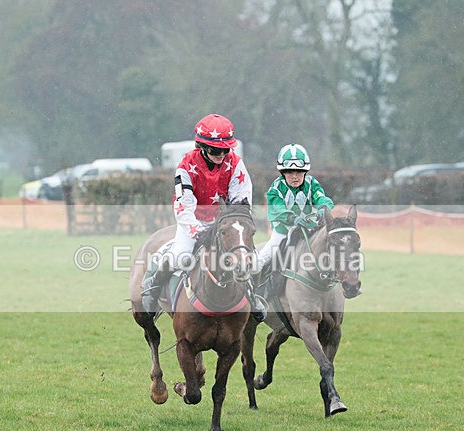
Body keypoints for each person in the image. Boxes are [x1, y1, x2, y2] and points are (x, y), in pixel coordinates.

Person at [141, 113, 267, 321]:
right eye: (215, 150)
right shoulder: (186, 165)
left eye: (226, 149)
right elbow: (184, 205)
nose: (221, 154)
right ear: (202, 146)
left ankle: (253, 297)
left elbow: (241, 200)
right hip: (193, 221)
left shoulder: (236, 163)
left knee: (249, 259)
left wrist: (232, 223)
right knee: (181, 256)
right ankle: (152, 288)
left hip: (224, 223)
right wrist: (197, 230)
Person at [256, 143, 335, 273]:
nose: (294, 176)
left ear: (305, 171)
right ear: (282, 172)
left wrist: (323, 208)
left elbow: (321, 197)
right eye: (289, 172)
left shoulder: (312, 183)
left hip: (309, 229)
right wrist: (293, 218)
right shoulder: (275, 189)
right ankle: (249, 279)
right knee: (259, 262)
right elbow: (278, 210)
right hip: (283, 232)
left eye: (299, 171)